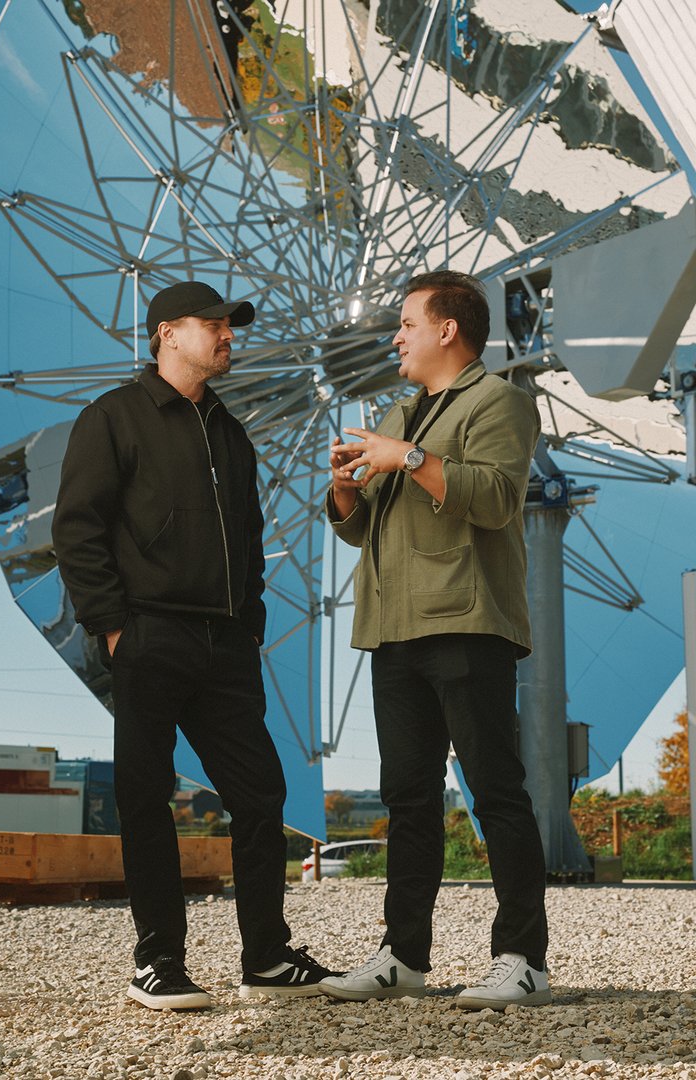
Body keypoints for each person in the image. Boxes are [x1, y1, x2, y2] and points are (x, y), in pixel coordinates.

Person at [52, 280, 335, 1010]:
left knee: (260, 794)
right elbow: (77, 530)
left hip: (225, 646)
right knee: (147, 798)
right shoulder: (114, 417)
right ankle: (158, 962)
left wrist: (249, 627)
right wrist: (114, 627)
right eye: (212, 325)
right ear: (166, 333)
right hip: (147, 633)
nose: (227, 335)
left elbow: (249, 541)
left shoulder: (231, 432)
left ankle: (266, 957)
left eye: (230, 326)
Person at [318, 270, 550, 1010]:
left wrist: (408, 459)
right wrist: (349, 490)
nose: (396, 334)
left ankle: (522, 959)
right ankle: (402, 957)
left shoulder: (501, 402)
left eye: (408, 322)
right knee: (408, 798)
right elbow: (367, 527)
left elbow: (494, 498)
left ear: (448, 330)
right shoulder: (400, 412)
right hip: (392, 630)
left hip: (467, 621)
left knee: (496, 792)